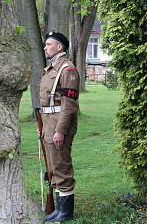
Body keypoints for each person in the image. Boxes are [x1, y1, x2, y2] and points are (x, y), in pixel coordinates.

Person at [40, 31, 79, 223]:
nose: (45, 47)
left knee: (62, 166)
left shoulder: (67, 70)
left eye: (48, 44)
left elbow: (69, 104)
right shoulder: (52, 69)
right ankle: (58, 211)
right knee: (54, 167)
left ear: (59, 47)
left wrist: (60, 131)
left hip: (59, 126)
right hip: (49, 124)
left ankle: (66, 213)